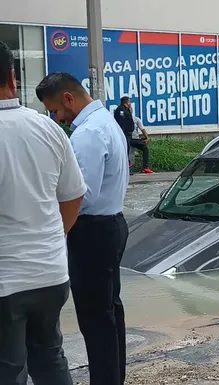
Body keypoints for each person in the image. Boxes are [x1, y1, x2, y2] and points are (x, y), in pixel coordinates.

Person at [0, 42, 85, 385]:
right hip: (50, 274)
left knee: (8, 369)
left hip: (5, 282)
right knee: (50, 358)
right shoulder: (49, 129)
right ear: (12, 77)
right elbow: (73, 196)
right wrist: (51, 238)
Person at [36, 73, 129, 385]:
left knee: (95, 319)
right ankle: (114, 378)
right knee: (109, 312)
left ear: (67, 98)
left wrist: (56, 228)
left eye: (55, 111)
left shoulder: (88, 133)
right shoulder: (106, 122)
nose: (57, 118)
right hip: (110, 225)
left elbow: (80, 196)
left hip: (92, 231)